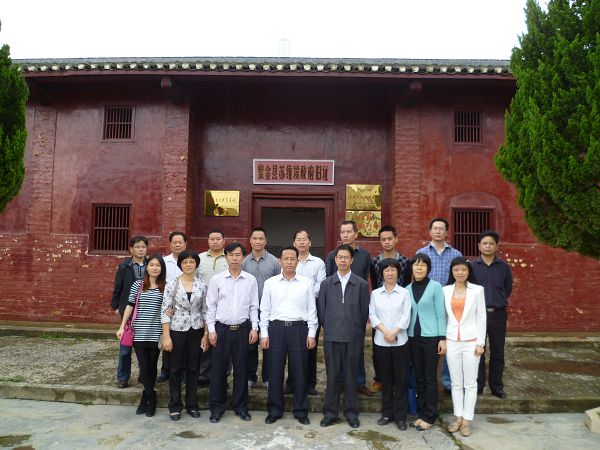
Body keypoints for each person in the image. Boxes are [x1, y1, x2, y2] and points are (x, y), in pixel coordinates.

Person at [260, 246, 318, 425]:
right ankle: (274, 410)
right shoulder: (271, 283)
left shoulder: (306, 283)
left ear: (297, 261)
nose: (289, 262)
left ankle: (301, 411)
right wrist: (264, 333)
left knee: (300, 371)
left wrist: (311, 333)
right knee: (275, 371)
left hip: (298, 330)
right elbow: (265, 310)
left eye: (293, 259)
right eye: (286, 259)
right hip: (276, 329)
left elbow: (311, 310)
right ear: (280, 261)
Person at [206, 242, 259, 423]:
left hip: (243, 330)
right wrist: (211, 331)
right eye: (231, 255)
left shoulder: (250, 280)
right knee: (218, 371)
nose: (234, 258)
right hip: (221, 330)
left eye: (238, 255)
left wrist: (254, 328)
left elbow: (253, 306)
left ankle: (241, 407)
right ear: (226, 257)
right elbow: (211, 307)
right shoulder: (217, 280)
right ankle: (216, 408)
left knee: (241, 370)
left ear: (243, 257)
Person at [319, 244, 370, 429]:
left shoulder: (361, 284)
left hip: (353, 337)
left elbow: (364, 312)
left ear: (351, 260)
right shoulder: (326, 284)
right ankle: (330, 413)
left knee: (351, 377)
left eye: (346, 257)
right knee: (332, 376)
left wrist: (356, 330)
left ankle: (351, 413)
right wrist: (330, 328)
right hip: (332, 337)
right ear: (335, 260)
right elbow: (322, 310)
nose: (342, 260)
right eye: (339, 257)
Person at [325, 220, 373, 397]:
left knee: (357, 348)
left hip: (356, 307)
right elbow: (329, 280)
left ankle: (359, 382)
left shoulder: (365, 256)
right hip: (338, 308)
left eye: (348, 232)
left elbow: (365, 278)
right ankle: (339, 383)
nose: (345, 235)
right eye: (342, 232)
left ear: (356, 234)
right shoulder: (333, 255)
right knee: (337, 352)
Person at [116, 254, 166, 417]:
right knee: (144, 366)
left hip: (156, 333)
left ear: (162, 268)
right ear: (147, 267)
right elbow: (130, 306)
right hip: (138, 332)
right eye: (151, 265)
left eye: (158, 265)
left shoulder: (165, 286)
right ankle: (151, 397)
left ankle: (146, 396)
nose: (154, 268)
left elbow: (168, 309)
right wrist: (122, 327)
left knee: (152, 365)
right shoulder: (138, 285)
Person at [160, 250, 208, 421]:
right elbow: (165, 311)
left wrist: (205, 334)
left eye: (192, 262)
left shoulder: (202, 285)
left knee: (194, 368)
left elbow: (205, 310)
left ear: (196, 264)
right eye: (185, 262)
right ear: (180, 264)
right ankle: (175, 406)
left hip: (196, 330)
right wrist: (166, 336)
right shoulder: (172, 284)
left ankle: (192, 404)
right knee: (175, 368)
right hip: (176, 330)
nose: (188, 264)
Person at [416, 218, 462, 395]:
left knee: (449, 342)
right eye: (435, 228)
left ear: (446, 232)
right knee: (428, 343)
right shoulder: (421, 253)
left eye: (441, 229)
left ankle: (448, 383)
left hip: (450, 305)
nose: (437, 231)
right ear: (430, 231)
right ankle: (427, 381)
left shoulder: (455, 254)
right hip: (427, 307)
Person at [443, 256, 486, 437]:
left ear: (469, 271)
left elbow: (481, 317)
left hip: (471, 341)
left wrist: (480, 343)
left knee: (470, 383)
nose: (460, 273)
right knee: (456, 382)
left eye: (463, 269)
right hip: (452, 340)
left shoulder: (477, 290)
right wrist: (443, 339)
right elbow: (444, 317)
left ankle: (467, 420)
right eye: (456, 270)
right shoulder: (445, 290)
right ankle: (458, 418)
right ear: (452, 272)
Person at [369, 258, 412, 431]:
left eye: (393, 270)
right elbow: (373, 316)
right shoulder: (375, 294)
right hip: (381, 342)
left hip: (400, 342)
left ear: (398, 272)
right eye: (386, 270)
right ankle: (387, 413)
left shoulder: (404, 293)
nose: (390, 273)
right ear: (382, 273)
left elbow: (406, 316)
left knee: (401, 380)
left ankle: (400, 416)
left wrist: (394, 332)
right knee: (386, 380)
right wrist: (386, 332)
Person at [369, 225, 411, 393]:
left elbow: (407, 283)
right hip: (380, 306)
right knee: (378, 346)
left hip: (399, 305)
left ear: (396, 239)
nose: (386, 242)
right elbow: (374, 283)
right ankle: (380, 378)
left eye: (389, 239)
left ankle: (397, 380)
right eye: (383, 239)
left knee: (399, 349)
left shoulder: (405, 261)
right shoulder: (374, 261)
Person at [471, 230, 513, 399]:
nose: (488, 246)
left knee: (498, 351)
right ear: (479, 246)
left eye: (491, 243)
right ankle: (478, 385)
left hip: (498, 315)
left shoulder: (503, 267)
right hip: (477, 316)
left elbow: (507, 288)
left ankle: (496, 387)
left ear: (496, 246)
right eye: (484, 243)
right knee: (478, 351)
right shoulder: (472, 267)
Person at [407, 253, 446, 431]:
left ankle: (430, 416)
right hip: (412, 339)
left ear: (428, 268)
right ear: (412, 268)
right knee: (419, 377)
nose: (419, 267)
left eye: (423, 265)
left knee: (429, 377)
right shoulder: (407, 289)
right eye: (416, 264)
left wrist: (442, 338)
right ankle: (421, 414)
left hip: (431, 338)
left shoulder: (435, 287)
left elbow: (440, 314)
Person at [285, 229, 326, 396]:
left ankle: (310, 383)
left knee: (310, 346)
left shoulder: (318, 263)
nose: (301, 242)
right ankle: (291, 382)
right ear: (294, 243)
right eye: (298, 239)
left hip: (311, 308)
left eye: (304, 239)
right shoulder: (288, 261)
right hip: (291, 309)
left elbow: (321, 285)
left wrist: (303, 294)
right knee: (291, 347)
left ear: (310, 242)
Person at [242, 227, 280, 389]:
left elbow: (279, 285)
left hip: (269, 310)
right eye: (255, 238)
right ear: (250, 241)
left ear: (265, 241)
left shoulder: (274, 262)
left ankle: (267, 377)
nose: (257, 241)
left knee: (268, 344)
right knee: (250, 345)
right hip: (249, 309)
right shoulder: (244, 262)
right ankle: (250, 376)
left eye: (261, 238)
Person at [110, 235, 148, 388]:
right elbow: (118, 286)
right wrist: (115, 306)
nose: (141, 249)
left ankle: (144, 375)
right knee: (126, 346)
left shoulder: (151, 264)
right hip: (128, 310)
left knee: (144, 346)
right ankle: (123, 377)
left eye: (143, 247)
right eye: (137, 247)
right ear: (131, 249)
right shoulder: (124, 266)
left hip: (145, 310)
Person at [196, 228, 228, 386]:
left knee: (223, 343)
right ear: (208, 241)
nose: (215, 241)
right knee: (205, 340)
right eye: (212, 239)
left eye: (218, 239)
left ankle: (223, 376)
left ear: (224, 241)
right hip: (203, 306)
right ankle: (203, 375)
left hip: (224, 307)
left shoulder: (229, 257)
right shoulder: (199, 258)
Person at [158, 231, 187, 383]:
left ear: (185, 244)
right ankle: (165, 370)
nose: (177, 245)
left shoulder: (189, 261)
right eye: (174, 242)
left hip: (185, 307)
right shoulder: (164, 262)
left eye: (180, 242)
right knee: (167, 337)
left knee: (183, 342)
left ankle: (182, 371)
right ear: (170, 244)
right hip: (168, 306)